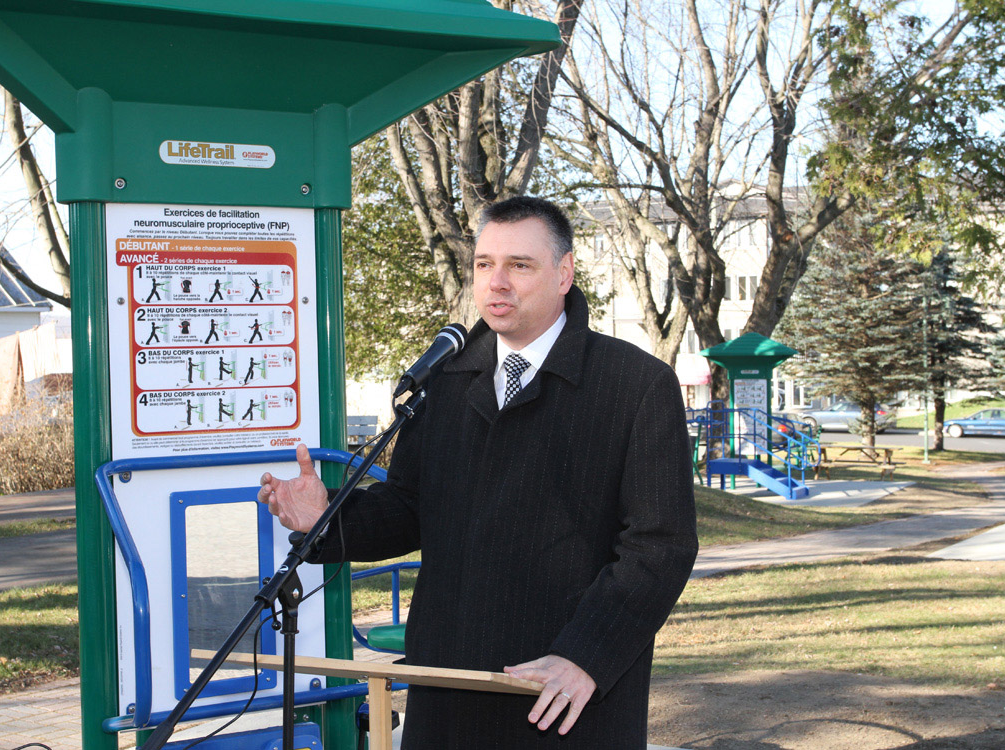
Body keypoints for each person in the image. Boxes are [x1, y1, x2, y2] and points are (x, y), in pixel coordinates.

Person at [259, 196, 697, 748]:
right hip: (448, 686)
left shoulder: (634, 385)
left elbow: (661, 545)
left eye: (520, 265)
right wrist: (326, 517)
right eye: (485, 264)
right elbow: (408, 509)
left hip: (558, 695)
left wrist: (586, 656)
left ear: (564, 274)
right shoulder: (443, 380)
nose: (497, 282)